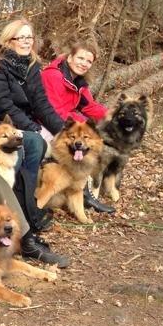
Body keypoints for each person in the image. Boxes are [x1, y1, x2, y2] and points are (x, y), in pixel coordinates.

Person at [0, 35, 68, 267]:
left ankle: (28, 211)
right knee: (19, 151)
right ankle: (25, 235)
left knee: (31, 143)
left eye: (30, 37)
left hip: (1, 129)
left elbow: (1, 115)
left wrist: (31, 131)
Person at [40, 40, 115, 214]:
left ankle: (82, 192)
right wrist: (81, 122)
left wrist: (112, 117)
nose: (84, 63)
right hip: (44, 122)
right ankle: (81, 193)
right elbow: (55, 109)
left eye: (89, 61)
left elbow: (90, 106)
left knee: (93, 144)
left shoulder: (78, 82)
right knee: (77, 146)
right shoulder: (53, 75)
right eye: (80, 58)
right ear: (70, 57)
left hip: (64, 123)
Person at [0, 19, 64, 187]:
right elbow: (3, 105)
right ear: (9, 41)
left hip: (28, 121)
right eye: (21, 37)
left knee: (66, 142)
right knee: (39, 143)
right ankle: (26, 192)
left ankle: (71, 191)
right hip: (7, 123)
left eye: (29, 37)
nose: (26, 42)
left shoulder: (32, 65)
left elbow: (41, 103)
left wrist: (63, 129)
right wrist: (33, 128)